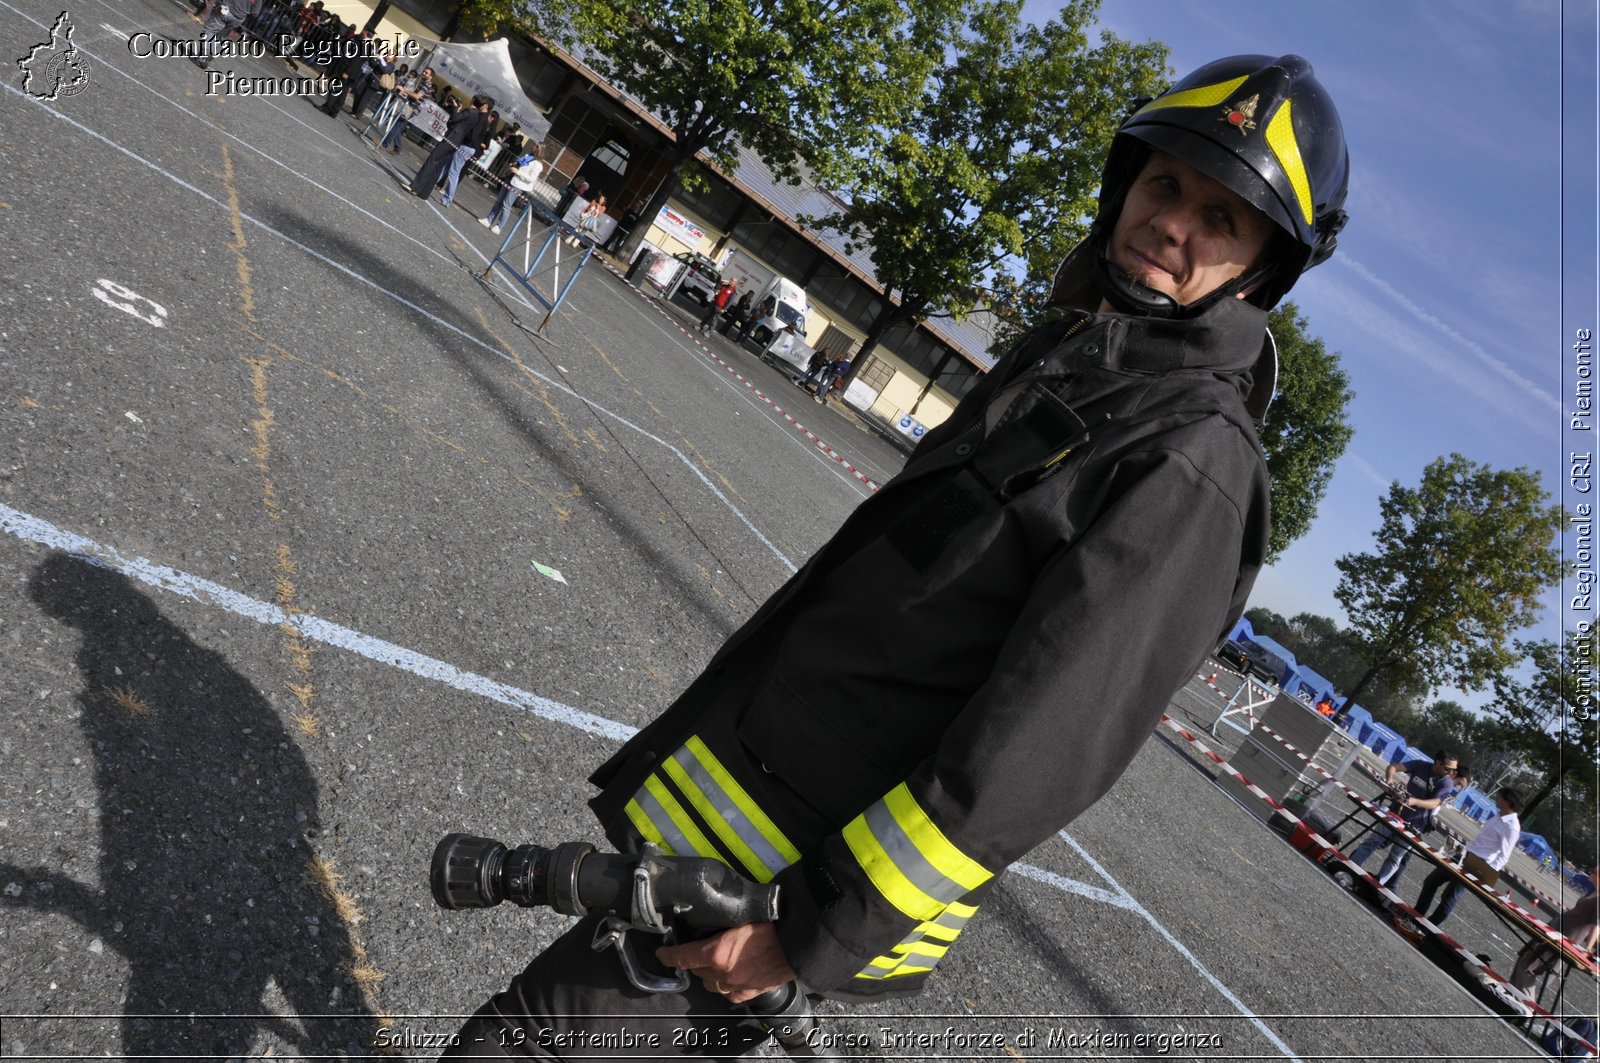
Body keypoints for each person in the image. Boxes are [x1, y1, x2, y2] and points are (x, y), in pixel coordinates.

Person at [443, 53, 1351, 1059]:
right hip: (744, 827)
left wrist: (810, 935)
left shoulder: (1189, 462)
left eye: (1221, 218)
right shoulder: (1080, 361)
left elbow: (1030, 752)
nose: (1172, 223)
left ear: (1264, 265)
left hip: (788, 886)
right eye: (1166, 182)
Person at [1412, 788, 1522, 926]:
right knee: (1431, 881)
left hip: (1478, 862)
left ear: (1507, 801)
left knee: (1449, 896)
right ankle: (1416, 915)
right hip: (1464, 852)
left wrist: (1486, 873)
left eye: (1499, 797)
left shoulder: (1512, 826)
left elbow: (1504, 856)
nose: (1496, 799)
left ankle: (1428, 927)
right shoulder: (1498, 815)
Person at [1350, 750, 1458, 888]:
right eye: (1448, 768)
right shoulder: (1420, 765)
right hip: (1396, 812)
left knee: (1396, 856)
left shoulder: (1446, 783)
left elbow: (1435, 802)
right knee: (1373, 841)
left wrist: (1415, 801)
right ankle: (1350, 866)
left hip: (1416, 823)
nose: (1451, 773)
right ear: (1438, 763)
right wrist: (1390, 780)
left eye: (1454, 770)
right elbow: (1393, 767)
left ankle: (1376, 886)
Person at [1511, 869, 1600, 993]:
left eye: (1594, 871)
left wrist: (1587, 949)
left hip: (1564, 937)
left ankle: (1524, 1007)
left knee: (1530, 966)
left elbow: (1596, 925)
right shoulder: (1594, 893)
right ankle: (1511, 993)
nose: (1590, 872)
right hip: (1557, 930)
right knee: (1525, 958)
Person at [410, 94, 493, 203]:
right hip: (459, 143)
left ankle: (420, 188)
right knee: (440, 167)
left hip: (459, 143)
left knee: (439, 165)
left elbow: (456, 120)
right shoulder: (479, 115)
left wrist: (455, 108)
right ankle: (424, 192)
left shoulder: (474, 114)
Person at [481, 151, 545, 235]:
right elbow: (518, 164)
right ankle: (489, 220)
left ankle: (499, 226)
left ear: (540, 150)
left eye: (536, 147)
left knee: (506, 205)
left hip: (518, 185)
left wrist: (518, 172)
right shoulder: (527, 156)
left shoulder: (538, 165)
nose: (534, 148)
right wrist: (513, 165)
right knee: (499, 201)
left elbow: (531, 179)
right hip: (510, 179)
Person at [193, 0, 260, 69]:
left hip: (225, 9)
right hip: (239, 18)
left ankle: (206, 55)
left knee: (209, 31)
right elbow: (255, 13)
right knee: (220, 36)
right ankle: (209, 54)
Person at [381, 67, 433, 155]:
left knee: (396, 125)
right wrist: (405, 93)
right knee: (398, 125)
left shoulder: (427, 85)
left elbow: (417, 96)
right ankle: (398, 147)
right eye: (424, 71)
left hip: (412, 109)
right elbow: (414, 96)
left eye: (426, 73)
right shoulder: (424, 83)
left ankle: (384, 144)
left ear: (431, 77)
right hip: (410, 106)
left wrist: (404, 90)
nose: (424, 73)